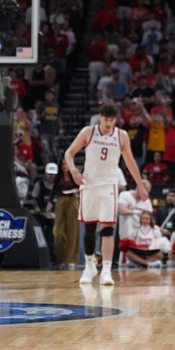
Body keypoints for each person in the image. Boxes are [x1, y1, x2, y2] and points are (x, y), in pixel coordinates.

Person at [63, 103, 150, 287]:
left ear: (115, 119)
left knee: (107, 230)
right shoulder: (89, 132)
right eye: (106, 119)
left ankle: (107, 271)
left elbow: (131, 162)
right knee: (88, 229)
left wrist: (140, 185)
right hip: (89, 184)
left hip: (109, 186)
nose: (109, 123)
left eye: (112, 120)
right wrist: (74, 172)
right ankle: (89, 266)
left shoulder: (121, 136)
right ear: (100, 117)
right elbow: (69, 153)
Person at [51, 162, 81, 268]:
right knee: (58, 232)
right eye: (63, 164)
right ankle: (60, 259)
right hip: (60, 201)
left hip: (73, 201)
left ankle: (71, 260)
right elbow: (54, 190)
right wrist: (49, 203)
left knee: (73, 231)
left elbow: (82, 187)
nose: (64, 166)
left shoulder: (75, 176)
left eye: (66, 164)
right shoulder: (58, 178)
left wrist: (78, 191)